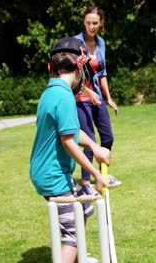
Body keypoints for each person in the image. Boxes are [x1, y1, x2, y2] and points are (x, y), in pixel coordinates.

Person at [30, 37, 110, 263]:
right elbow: (68, 143)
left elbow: (73, 132)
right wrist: (95, 174)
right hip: (53, 175)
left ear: (50, 68)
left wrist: (95, 146)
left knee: (84, 209)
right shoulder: (64, 96)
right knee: (72, 235)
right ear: (80, 68)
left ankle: (77, 258)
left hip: (49, 172)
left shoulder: (50, 92)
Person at [74, 5, 122, 193]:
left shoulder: (101, 43)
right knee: (90, 140)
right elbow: (74, 75)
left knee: (107, 137)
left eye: (95, 23)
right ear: (84, 23)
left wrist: (108, 98)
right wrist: (88, 92)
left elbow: (102, 73)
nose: (91, 27)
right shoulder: (76, 43)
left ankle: (103, 173)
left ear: (101, 23)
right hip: (80, 97)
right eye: (88, 23)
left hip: (98, 97)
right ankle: (86, 184)